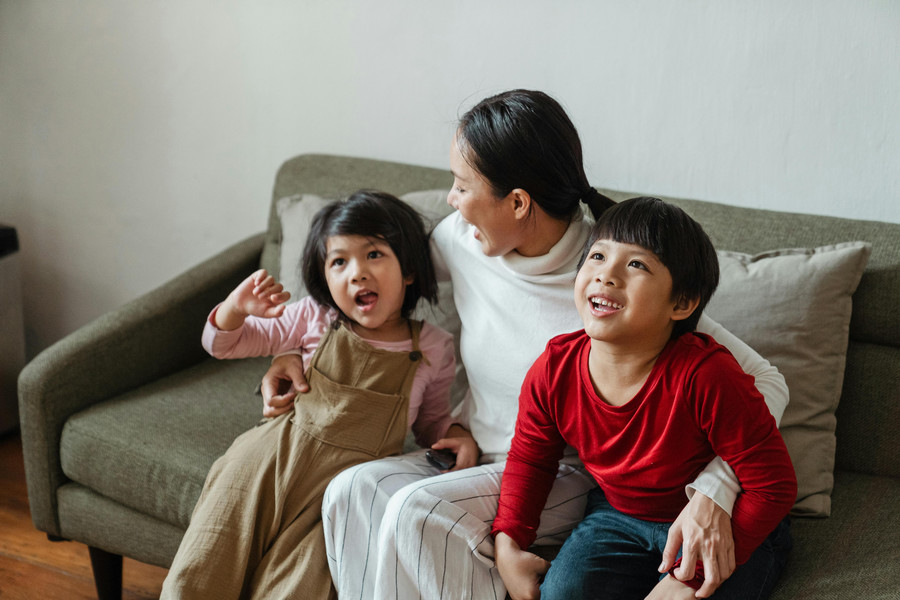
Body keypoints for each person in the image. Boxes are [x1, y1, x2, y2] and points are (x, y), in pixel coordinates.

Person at [261, 90, 790, 599]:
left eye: (462, 185)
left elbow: (761, 382)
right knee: (350, 491)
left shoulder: (611, 276)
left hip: (565, 473)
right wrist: (296, 347)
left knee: (417, 511)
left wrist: (714, 490)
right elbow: (376, 288)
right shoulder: (461, 240)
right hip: (474, 452)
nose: (450, 199)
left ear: (517, 202)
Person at [160, 190, 477, 600]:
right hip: (266, 465)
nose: (357, 273)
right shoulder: (314, 316)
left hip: (336, 497)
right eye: (339, 261)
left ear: (410, 270)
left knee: (296, 587)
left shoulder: (433, 346)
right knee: (204, 568)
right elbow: (222, 344)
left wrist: (458, 433)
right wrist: (235, 308)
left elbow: (429, 423)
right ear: (324, 277)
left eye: (374, 254)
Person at [494, 197, 797, 600]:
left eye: (636, 264)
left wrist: (685, 579)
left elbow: (773, 485)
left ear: (682, 303)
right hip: (617, 516)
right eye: (598, 256)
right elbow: (531, 458)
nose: (607, 274)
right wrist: (509, 541)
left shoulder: (708, 375)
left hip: (726, 519)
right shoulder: (553, 369)